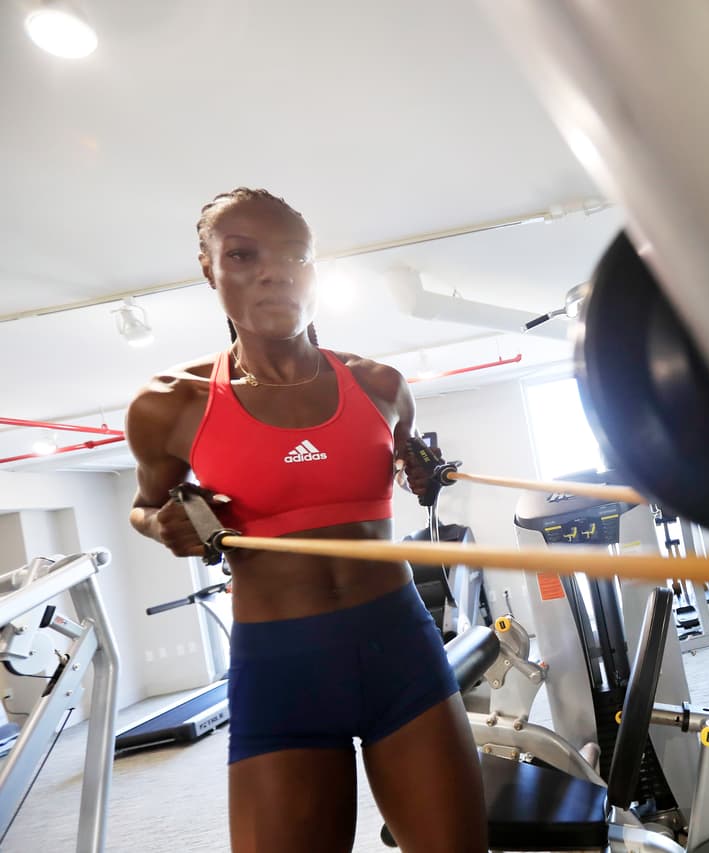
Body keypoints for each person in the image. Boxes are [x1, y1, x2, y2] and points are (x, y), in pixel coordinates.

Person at [125, 188, 486, 853]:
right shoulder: (170, 404)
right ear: (209, 268)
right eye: (243, 254)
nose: (275, 270)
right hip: (280, 669)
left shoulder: (380, 384)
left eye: (295, 254)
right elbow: (146, 505)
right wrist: (162, 524)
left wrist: (424, 471)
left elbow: (412, 466)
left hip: (400, 650)